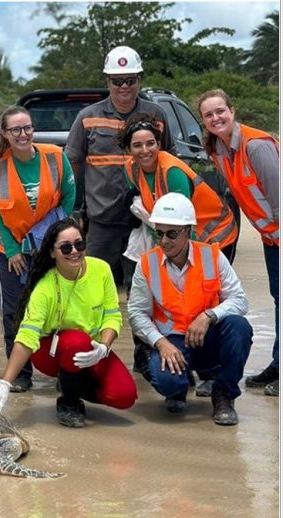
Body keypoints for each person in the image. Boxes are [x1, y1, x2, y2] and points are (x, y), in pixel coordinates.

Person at [118, 113, 239, 392]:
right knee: (176, 301)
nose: (145, 150)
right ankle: (178, 361)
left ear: (159, 144)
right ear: (128, 149)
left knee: (208, 300)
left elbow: (184, 225)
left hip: (211, 235)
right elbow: (158, 221)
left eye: (151, 143)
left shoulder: (172, 171)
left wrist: (176, 257)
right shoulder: (131, 169)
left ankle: (211, 372)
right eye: (137, 145)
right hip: (177, 239)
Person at [0, 219, 137, 428]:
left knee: (124, 396)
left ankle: (70, 382)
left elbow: (113, 315)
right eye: (66, 247)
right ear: (52, 252)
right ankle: (69, 401)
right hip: (51, 352)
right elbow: (26, 336)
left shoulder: (101, 269)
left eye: (79, 244)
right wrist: (5, 382)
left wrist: (103, 347)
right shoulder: (45, 287)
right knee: (76, 341)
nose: (74, 251)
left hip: (93, 349)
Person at [127, 193, 252, 425]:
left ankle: (223, 395)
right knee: (167, 381)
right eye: (159, 233)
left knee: (239, 327)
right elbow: (136, 313)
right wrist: (160, 343)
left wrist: (208, 316)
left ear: (188, 231)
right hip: (172, 342)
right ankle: (177, 390)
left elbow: (240, 300)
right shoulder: (147, 263)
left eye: (171, 233)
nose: (164, 241)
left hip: (207, 338)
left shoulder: (212, 256)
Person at [65, 45, 174, 286]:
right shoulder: (88, 116)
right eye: (117, 81)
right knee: (91, 286)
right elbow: (70, 166)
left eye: (130, 80)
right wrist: (69, 212)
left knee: (147, 288)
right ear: (108, 82)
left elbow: (169, 162)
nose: (124, 86)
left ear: (139, 80)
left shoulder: (156, 114)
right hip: (103, 222)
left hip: (147, 220)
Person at [0, 105, 76, 393]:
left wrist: (51, 238)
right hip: (10, 250)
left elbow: (70, 197)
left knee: (58, 305)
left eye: (27, 128)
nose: (23, 134)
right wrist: (13, 250)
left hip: (50, 247)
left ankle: (62, 369)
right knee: (15, 310)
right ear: (5, 133)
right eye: (16, 130)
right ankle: (21, 373)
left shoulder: (55, 156)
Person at [198, 89, 279, 397]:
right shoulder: (218, 149)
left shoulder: (256, 147)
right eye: (209, 115)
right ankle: (277, 363)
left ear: (232, 110)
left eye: (221, 111)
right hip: (271, 237)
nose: (216, 118)